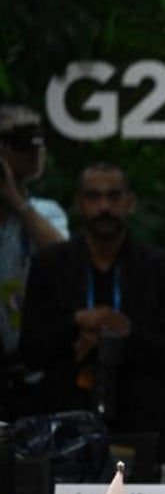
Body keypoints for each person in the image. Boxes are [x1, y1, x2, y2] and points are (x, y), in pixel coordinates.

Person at [19, 162, 165, 465]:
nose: (104, 207)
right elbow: (30, 351)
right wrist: (76, 322)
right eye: (94, 197)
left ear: (130, 202)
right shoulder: (50, 265)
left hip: (144, 418)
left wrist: (120, 331)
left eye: (113, 197)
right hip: (64, 422)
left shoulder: (158, 267)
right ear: (79, 203)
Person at [0, 103, 68, 421]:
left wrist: (15, 200)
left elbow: (64, 262)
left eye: (38, 138)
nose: (34, 148)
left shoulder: (45, 213)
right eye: (20, 139)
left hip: (36, 375)